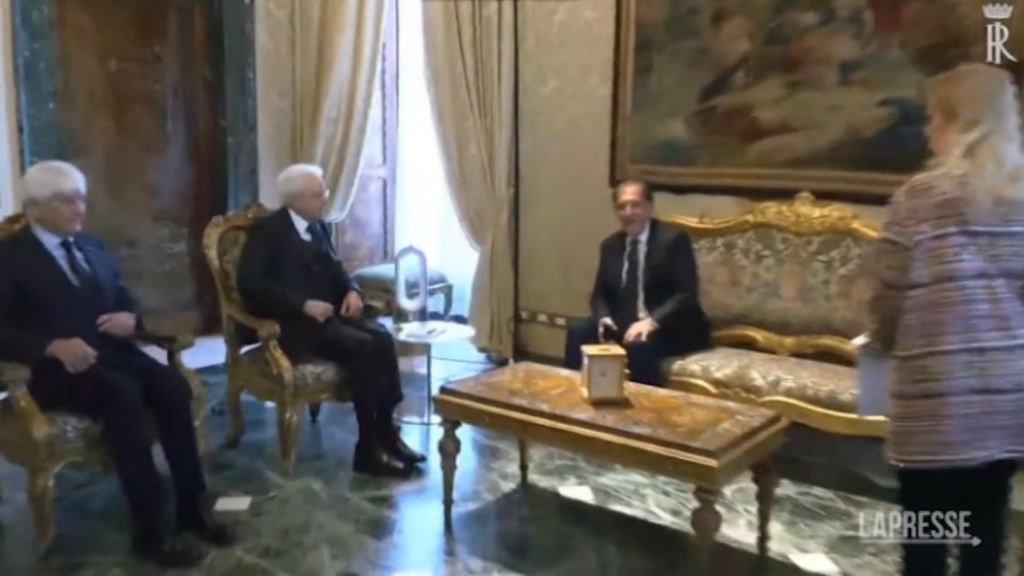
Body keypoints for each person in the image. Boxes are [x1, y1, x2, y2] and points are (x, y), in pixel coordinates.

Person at [0, 161, 233, 568]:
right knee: (122, 396)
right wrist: (51, 346)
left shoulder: (92, 245)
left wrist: (132, 319)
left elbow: (122, 296)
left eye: (81, 198)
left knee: (172, 386)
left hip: (113, 354)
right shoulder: (9, 257)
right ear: (35, 206)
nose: (78, 208)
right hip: (51, 371)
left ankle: (192, 509)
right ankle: (150, 532)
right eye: (66, 200)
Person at [866, 63, 1024, 576]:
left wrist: (879, 347)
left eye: (934, 116)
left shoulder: (921, 197)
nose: (927, 129)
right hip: (1007, 394)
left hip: (938, 395)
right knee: (986, 533)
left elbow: (889, 296)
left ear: (962, 123)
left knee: (926, 539)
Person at [236, 163, 425, 478]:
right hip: (291, 325)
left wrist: (352, 291)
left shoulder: (319, 226)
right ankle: (367, 450)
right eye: (318, 194)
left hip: (330, 316)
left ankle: (387, 434)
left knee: (381, 337)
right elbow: (251, 286)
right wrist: (302, 305)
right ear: (295, 199)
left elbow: (336, 268)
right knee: (363, 347)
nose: (325, 199)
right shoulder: (267, 232)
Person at [564, 180, 711, 386]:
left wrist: (651, 322)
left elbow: (686, 293)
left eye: (635, 205)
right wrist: (603, 317)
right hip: (625, 324)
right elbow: (599, 294)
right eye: (621, 207)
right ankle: (569, 393)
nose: (628, 212)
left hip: (669, 327)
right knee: (578, 330)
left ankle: (643, 403)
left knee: (638, 345)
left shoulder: (672, 240)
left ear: (649, 207)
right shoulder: (610, 246)